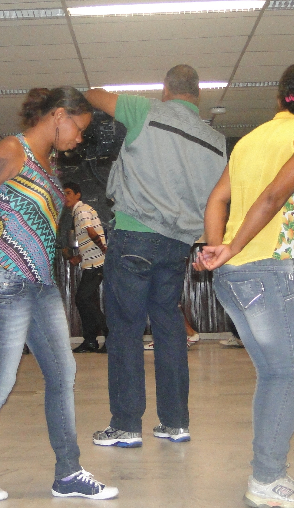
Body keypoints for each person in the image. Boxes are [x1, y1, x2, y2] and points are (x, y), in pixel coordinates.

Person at [0, 86, 117, 501]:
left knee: (62, 373)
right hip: (5, 282)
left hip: (41, 285)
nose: (80, 138)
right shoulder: (13, 150)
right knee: (0, 380)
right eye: (79, 128)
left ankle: (68, 473)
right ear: (59, 115)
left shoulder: (48, 162)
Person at [196, 61, 294, 508]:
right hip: (267, 268)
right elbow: (274, 196)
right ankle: (268, 479)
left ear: (281, 98)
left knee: (275, 374)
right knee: (289, 374)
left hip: (233, 274)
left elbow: (217, 198)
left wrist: (217, 250)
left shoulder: (250, 139)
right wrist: (232, 247)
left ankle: (268, 473)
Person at [85, 65, 227, 448]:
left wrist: (87, 93)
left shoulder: (146, 111)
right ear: (198, 94)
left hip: (134, 235)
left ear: (166, 88)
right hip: (178, 245)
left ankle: (126, 425)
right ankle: (175, 423)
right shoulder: (216, 141)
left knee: (126, 329)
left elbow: (95, 95)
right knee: (169, 328)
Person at [62, 182, 109, 354]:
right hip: (91, 261)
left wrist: (103, 249)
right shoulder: (81, 211)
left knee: (83, 299)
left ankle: (110, 334)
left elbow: (91, 232)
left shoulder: (81, 211)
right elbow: (89, 239)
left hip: (97, 263)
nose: (65, 197)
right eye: (63, 194)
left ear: (78, 195)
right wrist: (80, 257)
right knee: (83, 300)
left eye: (68, 193)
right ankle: (90, 340)